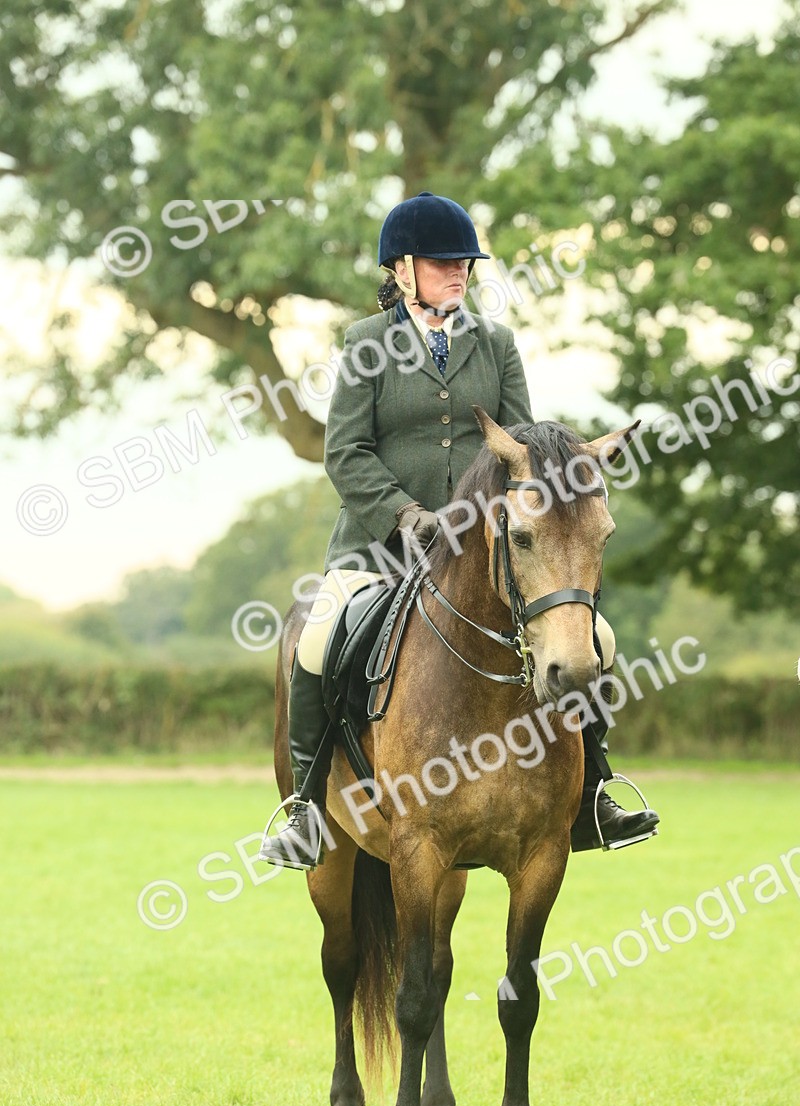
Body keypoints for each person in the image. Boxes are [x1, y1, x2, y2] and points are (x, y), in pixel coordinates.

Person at [259, 191, 659, 870]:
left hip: (483, 551)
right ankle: (304, 808)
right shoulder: (364, 345)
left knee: (598, 637)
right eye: (444, 263)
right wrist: (402, 514)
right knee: (317, 640)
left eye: (465, 264)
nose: (459, 273)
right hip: (380, 546)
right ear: (403, 269)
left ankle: (593, 792)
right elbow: (345, 452)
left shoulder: (495, 344)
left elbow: (523, 447)